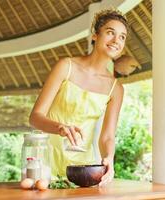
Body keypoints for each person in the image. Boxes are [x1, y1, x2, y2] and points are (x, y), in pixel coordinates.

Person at [29, 8, 128, 187]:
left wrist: (109, 158)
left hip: (82, 172)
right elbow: (35, 117)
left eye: (122, 37)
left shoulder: (116, 88)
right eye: (110, 33)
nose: (116, 40)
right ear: (95, 35)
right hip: (45, 164)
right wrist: (60, 127)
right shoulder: (65, 67)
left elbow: (107, 136)